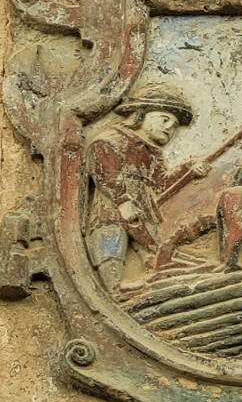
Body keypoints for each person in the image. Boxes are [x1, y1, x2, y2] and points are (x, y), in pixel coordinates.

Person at [84, 83, 210, 291]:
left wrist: (189, 171)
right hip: (113, 203)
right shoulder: (110, 140)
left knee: (153, 244)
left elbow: (161, 183)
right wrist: (122, 201)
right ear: (141, 115)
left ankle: (158, 276)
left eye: (175, 125)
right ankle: (113, 285)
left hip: (143, 207)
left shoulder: (152, 152)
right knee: (111, 236)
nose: (170, 127)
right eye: (165, 119)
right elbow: (105, 174)